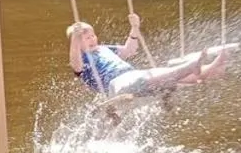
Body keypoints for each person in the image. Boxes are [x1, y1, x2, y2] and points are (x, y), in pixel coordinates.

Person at [67, 13, 228, 98]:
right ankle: (191, 66)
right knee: (153, 75)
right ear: (77, 44)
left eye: (93, 35)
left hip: (133, 77)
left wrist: (134, 28)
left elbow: (129, 50)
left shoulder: (103, 49)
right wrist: (75, 39)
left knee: (171, 78)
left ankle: (211, 69)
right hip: (117, 86)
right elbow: (76, 66)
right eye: (86, 38)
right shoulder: (82, 58)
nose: (92, 39)